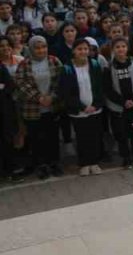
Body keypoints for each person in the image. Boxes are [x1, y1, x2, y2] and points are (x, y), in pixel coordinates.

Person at [59, 38, 107, 176]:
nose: (83, 51)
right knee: (82, 137)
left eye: (86, 49)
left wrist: (95, 105)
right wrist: (81, 107)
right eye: (79, 49)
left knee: (95, 136)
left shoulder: (95, 64)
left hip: (95, 109)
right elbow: (66, 92)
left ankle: (94, 162)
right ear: (74, 51)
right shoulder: (67, 68)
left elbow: (100, 86)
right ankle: (84, 163)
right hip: (78, 111)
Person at [15, 36, 61, 179]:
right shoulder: (24, 64)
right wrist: (39, 98)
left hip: (52, 107)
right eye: (37, 48)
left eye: (43, 47)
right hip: (32, 109)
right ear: (31, 49)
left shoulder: (54, 61)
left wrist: (52, 97)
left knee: (52, 138)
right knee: (36, 139)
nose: (41, 50)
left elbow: (61, 80)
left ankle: (54, 163)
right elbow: (21, 83)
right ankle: (41, 165)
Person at [104, 38, 133, 168]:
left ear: (127, 48)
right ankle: (126, 158)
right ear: (113, 49)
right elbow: (108, 88)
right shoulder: (108, 66)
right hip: (118, 107)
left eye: (123, 46)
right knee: (121, 134)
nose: (121, 49)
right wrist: (123, 102)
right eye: (117, 47)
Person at [0, 38, 21, 180]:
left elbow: (9, 85)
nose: (4, 48)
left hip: (4, 109)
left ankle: (9, 171)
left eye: (6, 45)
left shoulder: (1, 67)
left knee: (7, 140)